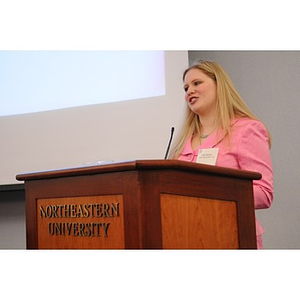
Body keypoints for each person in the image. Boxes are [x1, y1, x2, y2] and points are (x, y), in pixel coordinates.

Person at [170, 60, 273, 249]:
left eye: (197, 83)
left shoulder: (247, 129)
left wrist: (211, 192)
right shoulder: (182, 141)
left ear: (219, 85)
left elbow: (264, 193)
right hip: (186, 237)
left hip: (232, 236)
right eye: (186, 88)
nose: (189, 91)